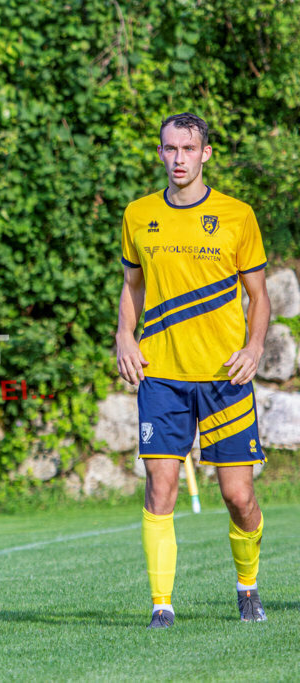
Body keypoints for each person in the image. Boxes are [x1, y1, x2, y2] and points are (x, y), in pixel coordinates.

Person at [116, 113, 271, 629]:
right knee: (160, 489)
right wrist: (124, 336)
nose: (178, 158)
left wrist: (254, 347)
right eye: (169, 148)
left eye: (187, 149)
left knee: (238, 497)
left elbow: (259, 296)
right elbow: (133, 286)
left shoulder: (237, 215)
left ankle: (247, 587)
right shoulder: (138, 214)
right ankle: (161, 605)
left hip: (225, 376)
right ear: (160, 152)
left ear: (205, 153)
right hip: (161, 375)